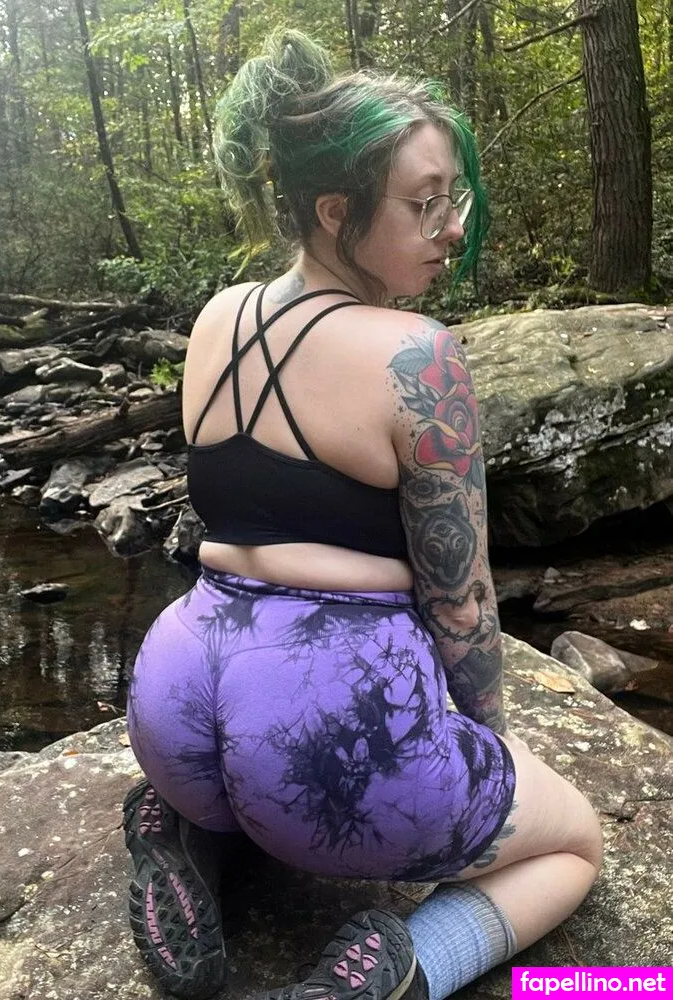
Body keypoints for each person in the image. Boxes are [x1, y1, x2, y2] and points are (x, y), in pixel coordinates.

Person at [122, 29, 603, 1000]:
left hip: (173, 699)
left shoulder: (218, 316)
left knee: (236, 786)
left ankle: (186, 826)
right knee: (577, 844)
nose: (453, 228)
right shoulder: (415, 354)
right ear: (335, 210)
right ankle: (406, 972)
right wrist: (489, 743)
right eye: (426, 203)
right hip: (325, 734)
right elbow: (460, 600)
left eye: (455, 197)